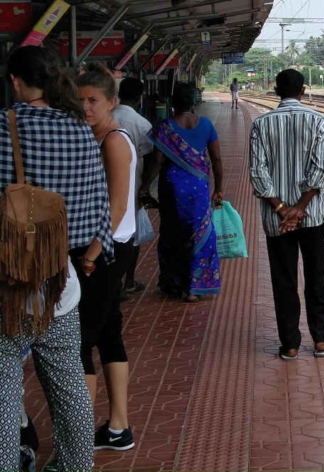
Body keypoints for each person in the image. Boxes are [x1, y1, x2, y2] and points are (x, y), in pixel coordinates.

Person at [0, 46, 113, 472]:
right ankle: (73, 467)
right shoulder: (80, 130)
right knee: (69, 392)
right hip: (58, 283)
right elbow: (99, 207)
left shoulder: (3, 126)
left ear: (15, 81)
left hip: (6, 284)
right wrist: (90, 255)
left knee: (4, 391)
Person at [249, 70, 324, 361]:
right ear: (303, 90)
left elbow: (257, 173)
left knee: (283, 278)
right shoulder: (318, 121)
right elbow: (319, 170)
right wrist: (300, 208)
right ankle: (321, 340)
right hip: (311, 216)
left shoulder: (260, 124)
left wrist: (282, 208)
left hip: (277, 219)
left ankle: (290, 344)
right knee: (316, 275)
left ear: (276, 91)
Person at [75, 65, 137, 451]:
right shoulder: (94, 136)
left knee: (81, 339)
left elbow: (115, 207)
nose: (85, 107)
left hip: (107, 250)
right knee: (109, 333)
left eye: (93, 100)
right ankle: (118, 428)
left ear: (112, 102)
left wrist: (89, 256)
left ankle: (78, 439)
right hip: (113, 248)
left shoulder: (113, 140)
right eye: (80, 99)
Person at [141, 84, 223, 303]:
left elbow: (157, 161)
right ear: (193, 103)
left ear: (172, 103)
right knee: (200, 234)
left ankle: (174, 284)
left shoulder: (164, 127)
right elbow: (216, 159)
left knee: (172, 234)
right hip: (199, 189)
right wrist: (219, 188)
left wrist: (144, 186)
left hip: (173, 189)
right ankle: (195, 288)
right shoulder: (205, 125)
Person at [112, 77, 154, 297]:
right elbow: (149, 157)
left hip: (103, 186)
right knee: (130, 235)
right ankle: (128, 280)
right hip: (132, 186)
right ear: (140, 97)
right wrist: (145, 187)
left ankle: (110, 281)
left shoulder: (105, 117)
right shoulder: (142, 124)